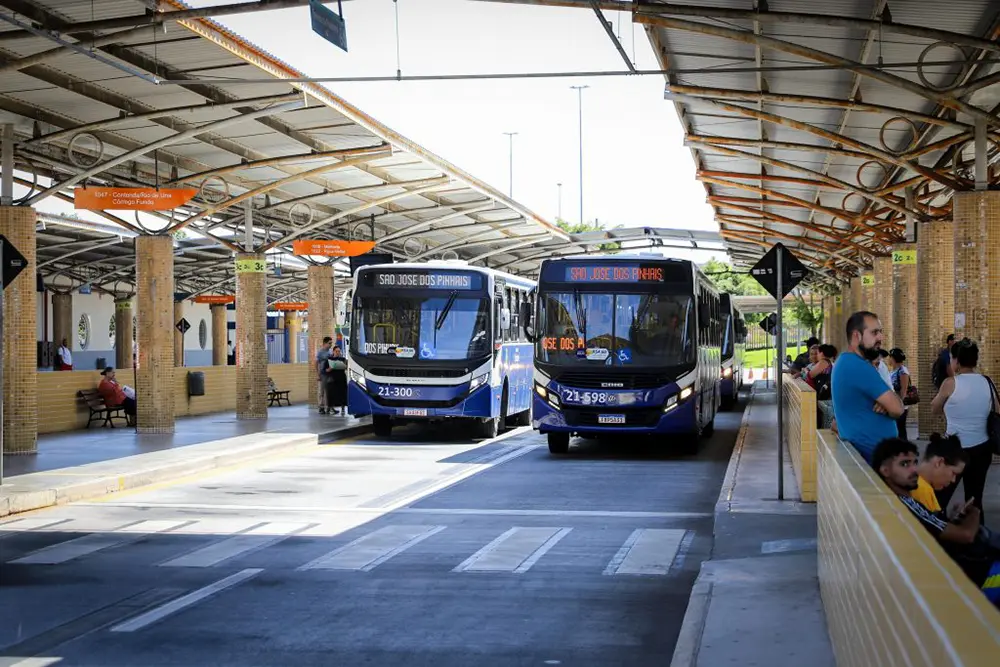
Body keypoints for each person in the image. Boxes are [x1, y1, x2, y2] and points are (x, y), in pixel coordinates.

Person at [872, 438, 1000, 606]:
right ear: (885, 470)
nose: (914, 470)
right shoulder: (906, 503)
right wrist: (975, 512)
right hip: (961, 579)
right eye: (904, 464)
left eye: (914, 462)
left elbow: (936, 526)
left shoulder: (903, 499)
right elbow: (966, 535)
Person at [930, 338, 998, 524]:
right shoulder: (987, 382)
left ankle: (938, 532)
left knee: (941, 496)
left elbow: (934, 409)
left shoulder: (950, 384)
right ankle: (978, 539)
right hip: (982, 449)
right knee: (975, 498)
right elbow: (997, 410)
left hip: (955, 450)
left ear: (956, 361)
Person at [830, 311, 904, 463]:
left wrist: (886, 405)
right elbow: (897, 408)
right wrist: (889, 405)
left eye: (881, 332)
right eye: (874, 332)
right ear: (856, 336)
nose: (880, 338)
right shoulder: (857, 366)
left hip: (872, 458)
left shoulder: (846, 361)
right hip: (873, 462)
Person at [911, 433, 968, 512]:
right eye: (953, 473)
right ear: (940, 462)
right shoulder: (922, 491)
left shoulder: (917, 484)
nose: (953, 480)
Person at [887, 348, 912, 439]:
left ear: (894, 358)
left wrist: (900, 406)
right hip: (894, 404)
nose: (888, 359)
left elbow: (904, 389)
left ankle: (905, 450)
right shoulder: (893, 371)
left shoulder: (902, 370)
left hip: (900, 406)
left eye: (890, 357)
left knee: (901, 430)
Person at [324, 346, 348, 415]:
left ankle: (343, 408)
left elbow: (346, 367)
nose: (338, 353)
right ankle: (330, 408)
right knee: (332, 394)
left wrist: (345, 366)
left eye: (339, 351)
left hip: (341, 379)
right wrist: (330, 368)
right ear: (333, 351)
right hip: (332, 379)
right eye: (336, 351)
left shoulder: (343, 359)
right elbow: (326, 370)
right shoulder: (329, 359)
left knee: (342, 394)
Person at [316, 336, 333, 414]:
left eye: (331, 343)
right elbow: (316, 363)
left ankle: (329, 407)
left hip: (329, 373)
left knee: (329, 391)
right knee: (321, 391)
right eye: (329, 343)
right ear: (324, 343)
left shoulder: (330, 352)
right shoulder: (320, 352)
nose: (331, 345)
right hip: (323, 374)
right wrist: (318, 374)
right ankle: (321, 407)